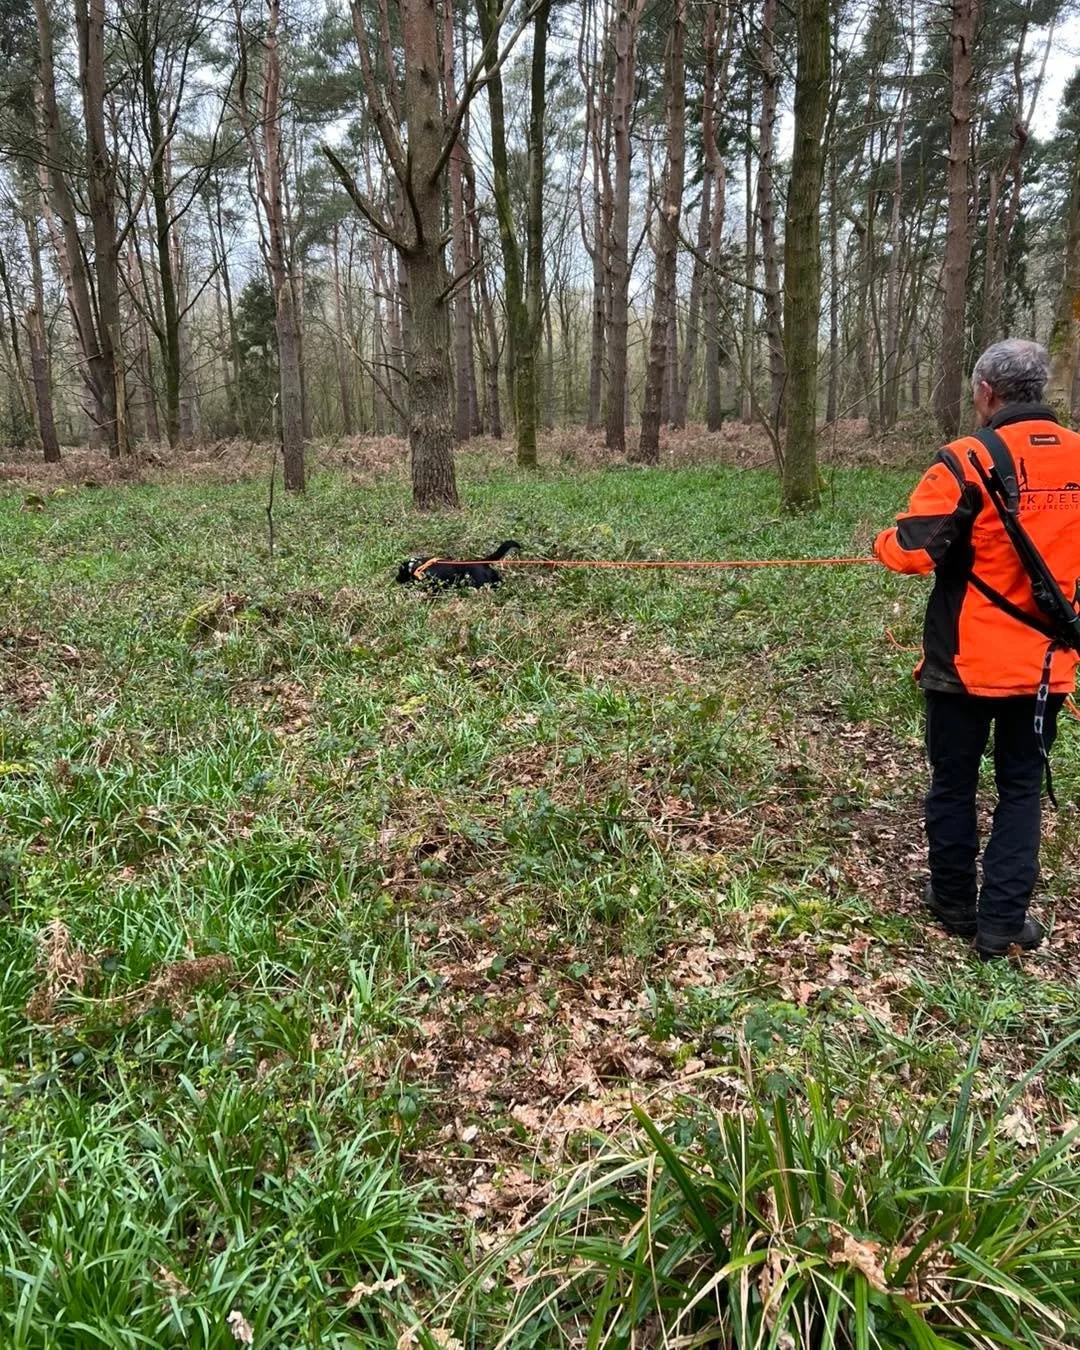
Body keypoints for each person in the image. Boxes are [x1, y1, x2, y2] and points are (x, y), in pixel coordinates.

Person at [874, 339, 1080, 960]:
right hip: (1046, 666)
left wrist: (882, 540)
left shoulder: (964, 460)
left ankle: (956, 901)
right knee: (1021, 789)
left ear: (986, 393)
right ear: (1040, 391)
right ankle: (1000, 925)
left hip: (964, 665)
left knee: (954, 782)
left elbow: (911, 551)